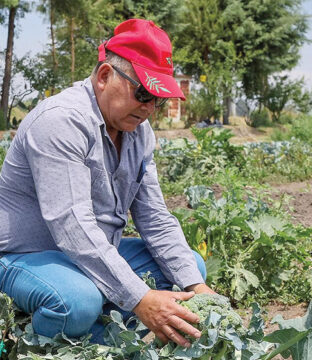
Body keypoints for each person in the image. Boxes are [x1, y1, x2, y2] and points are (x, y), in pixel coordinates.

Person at [0, 19, 215, 347]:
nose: (149, 108)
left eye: (157, 99)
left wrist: (198, 289)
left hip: (88, 255)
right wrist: (141, 298)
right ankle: (25, 332)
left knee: (189, 268)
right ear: (104, 76)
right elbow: (72, 227)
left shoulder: (138, 133)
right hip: (25, 255)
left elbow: (155, 220)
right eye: (143, 93)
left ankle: (100, 324)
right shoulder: (61, 121)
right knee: (78, 302)